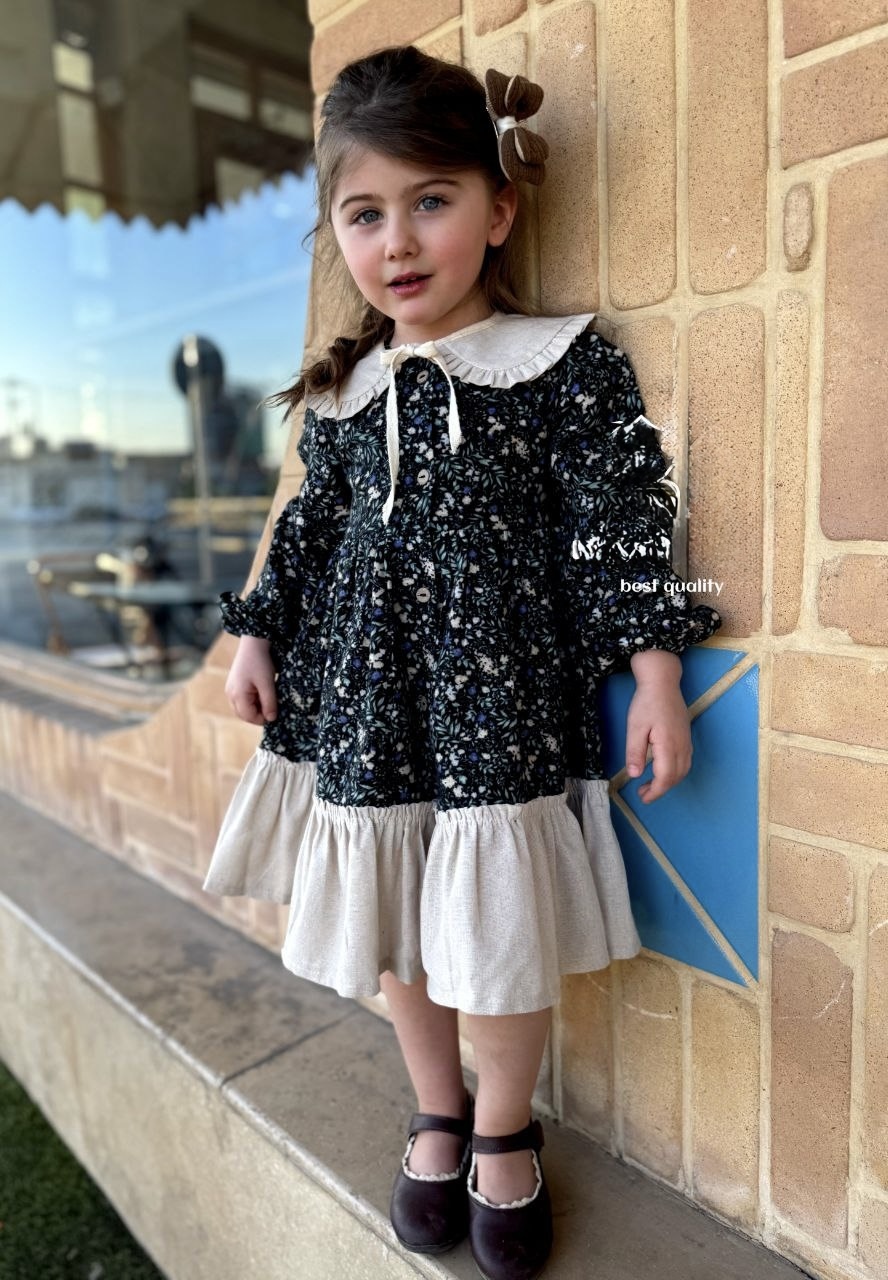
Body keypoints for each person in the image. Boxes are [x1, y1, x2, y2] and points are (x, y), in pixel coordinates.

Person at [201, 44, 723, 1280]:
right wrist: (258, 628)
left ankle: (502, 1122)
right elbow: (310, 530)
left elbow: (618, 518)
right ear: (338, 232)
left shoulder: (560, 363)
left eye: (430, 201)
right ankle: (437, 1107)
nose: (399, 241)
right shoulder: (345, 393)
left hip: (503, 704)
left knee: (494, 926)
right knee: (398, 919)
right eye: (365, 213)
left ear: (498, 209)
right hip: (368, 702)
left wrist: (655, 669)